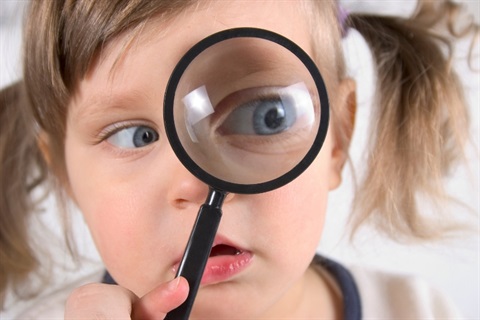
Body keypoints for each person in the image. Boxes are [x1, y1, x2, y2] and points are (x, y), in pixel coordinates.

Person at [0, 0, 477, 318]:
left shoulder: (418, 310)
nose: (192, 179)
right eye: (135, 135)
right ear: (66, 176)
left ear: (337, 136)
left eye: (262, 115)